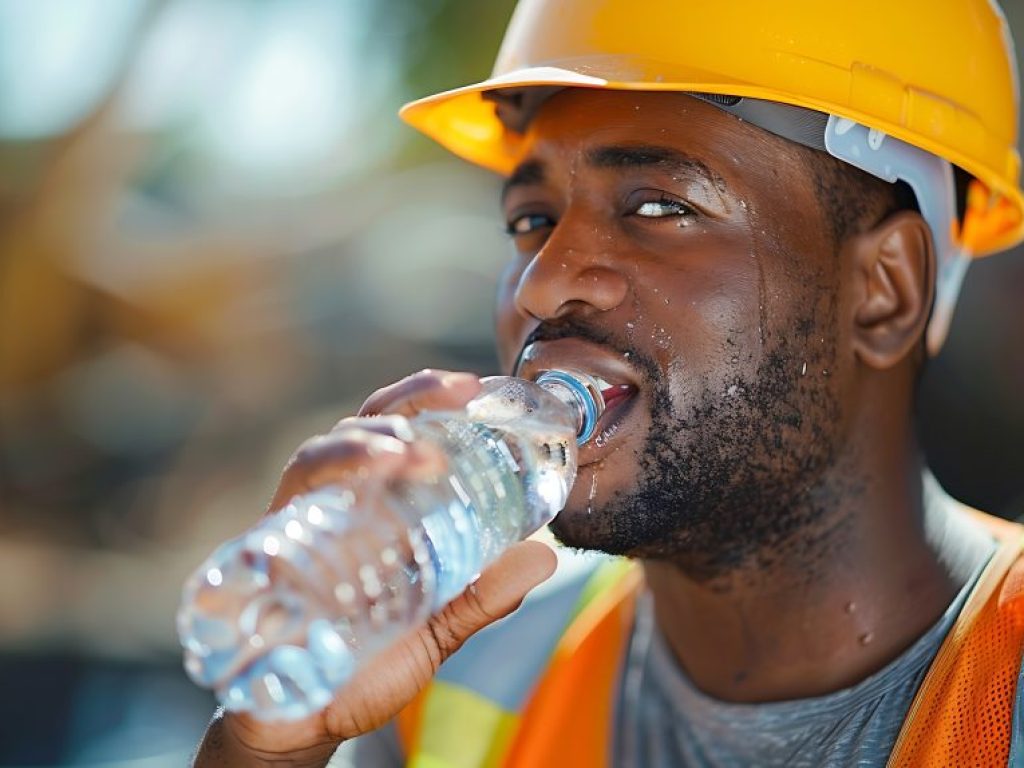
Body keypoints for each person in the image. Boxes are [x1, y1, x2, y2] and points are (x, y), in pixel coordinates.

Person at [192, 1, 1024, 765]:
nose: (541, 285)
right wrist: (268, 748)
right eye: (531, 221)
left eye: (660, 206)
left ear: (885, 291)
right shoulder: (466, 661)